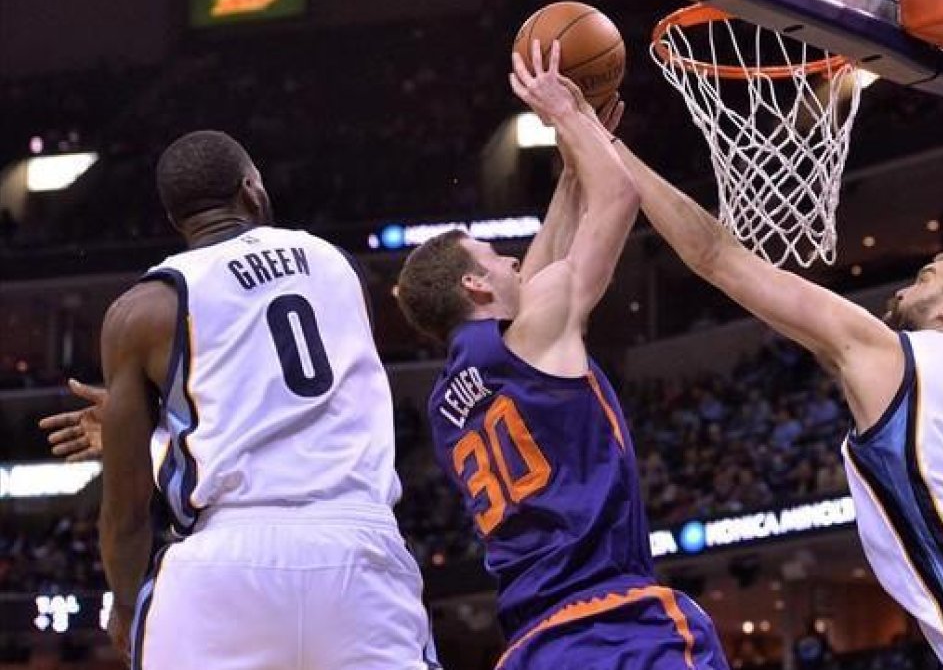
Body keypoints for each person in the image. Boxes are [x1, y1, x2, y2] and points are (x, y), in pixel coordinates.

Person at [610, 138, 943, 668]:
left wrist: (603, 138)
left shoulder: (892, 354)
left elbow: (715, 255)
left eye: (925, 278)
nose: (902, 290)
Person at [46, 130, 439, 669]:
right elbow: (300, 391)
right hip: (358, 547)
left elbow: (127, 507)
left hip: (222, 560)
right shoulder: (340, 265)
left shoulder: (141, 311)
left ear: (174, 221)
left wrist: (122, 602)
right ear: (252, 190)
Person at [393, 41, 728, 669]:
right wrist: (567, 118)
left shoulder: (447, 400)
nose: (514, 259)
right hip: (617, 619)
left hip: (533, 644)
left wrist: (577, 158)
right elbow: (621, 198)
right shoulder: (536, 329)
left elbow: (550, 251)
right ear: (475, 285)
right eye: (495, 258)